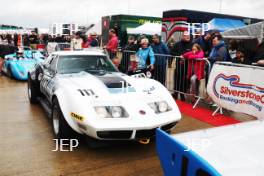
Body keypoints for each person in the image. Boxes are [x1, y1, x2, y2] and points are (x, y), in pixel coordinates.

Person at [171, 31, 193, 101]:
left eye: (188, 36)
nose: (187, 37)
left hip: (188, 67)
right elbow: (171, 52)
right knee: (177, 80)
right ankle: (175, 93)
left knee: (184, 81)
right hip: (179, 66)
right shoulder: (177, 44)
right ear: (183, 36)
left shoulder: (192, 45)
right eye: (186, 36)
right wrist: (179, 56)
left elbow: (196, 52)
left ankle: (182, 94)